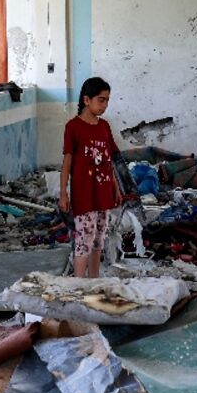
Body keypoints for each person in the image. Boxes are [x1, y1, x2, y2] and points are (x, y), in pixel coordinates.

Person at [60, 77, 121, 278]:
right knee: (83, 240)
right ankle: (79, 283)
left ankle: (94, 280)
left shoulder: (104, 126)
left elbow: (108, 161)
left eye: (107, 100)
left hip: (103, 192)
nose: (105, 105)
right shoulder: (73, 127)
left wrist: (115, 187)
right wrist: (63, 193)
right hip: (84, 194)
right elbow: (67, 162)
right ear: (87, 100)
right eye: (101, 100)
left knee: (98, 240)